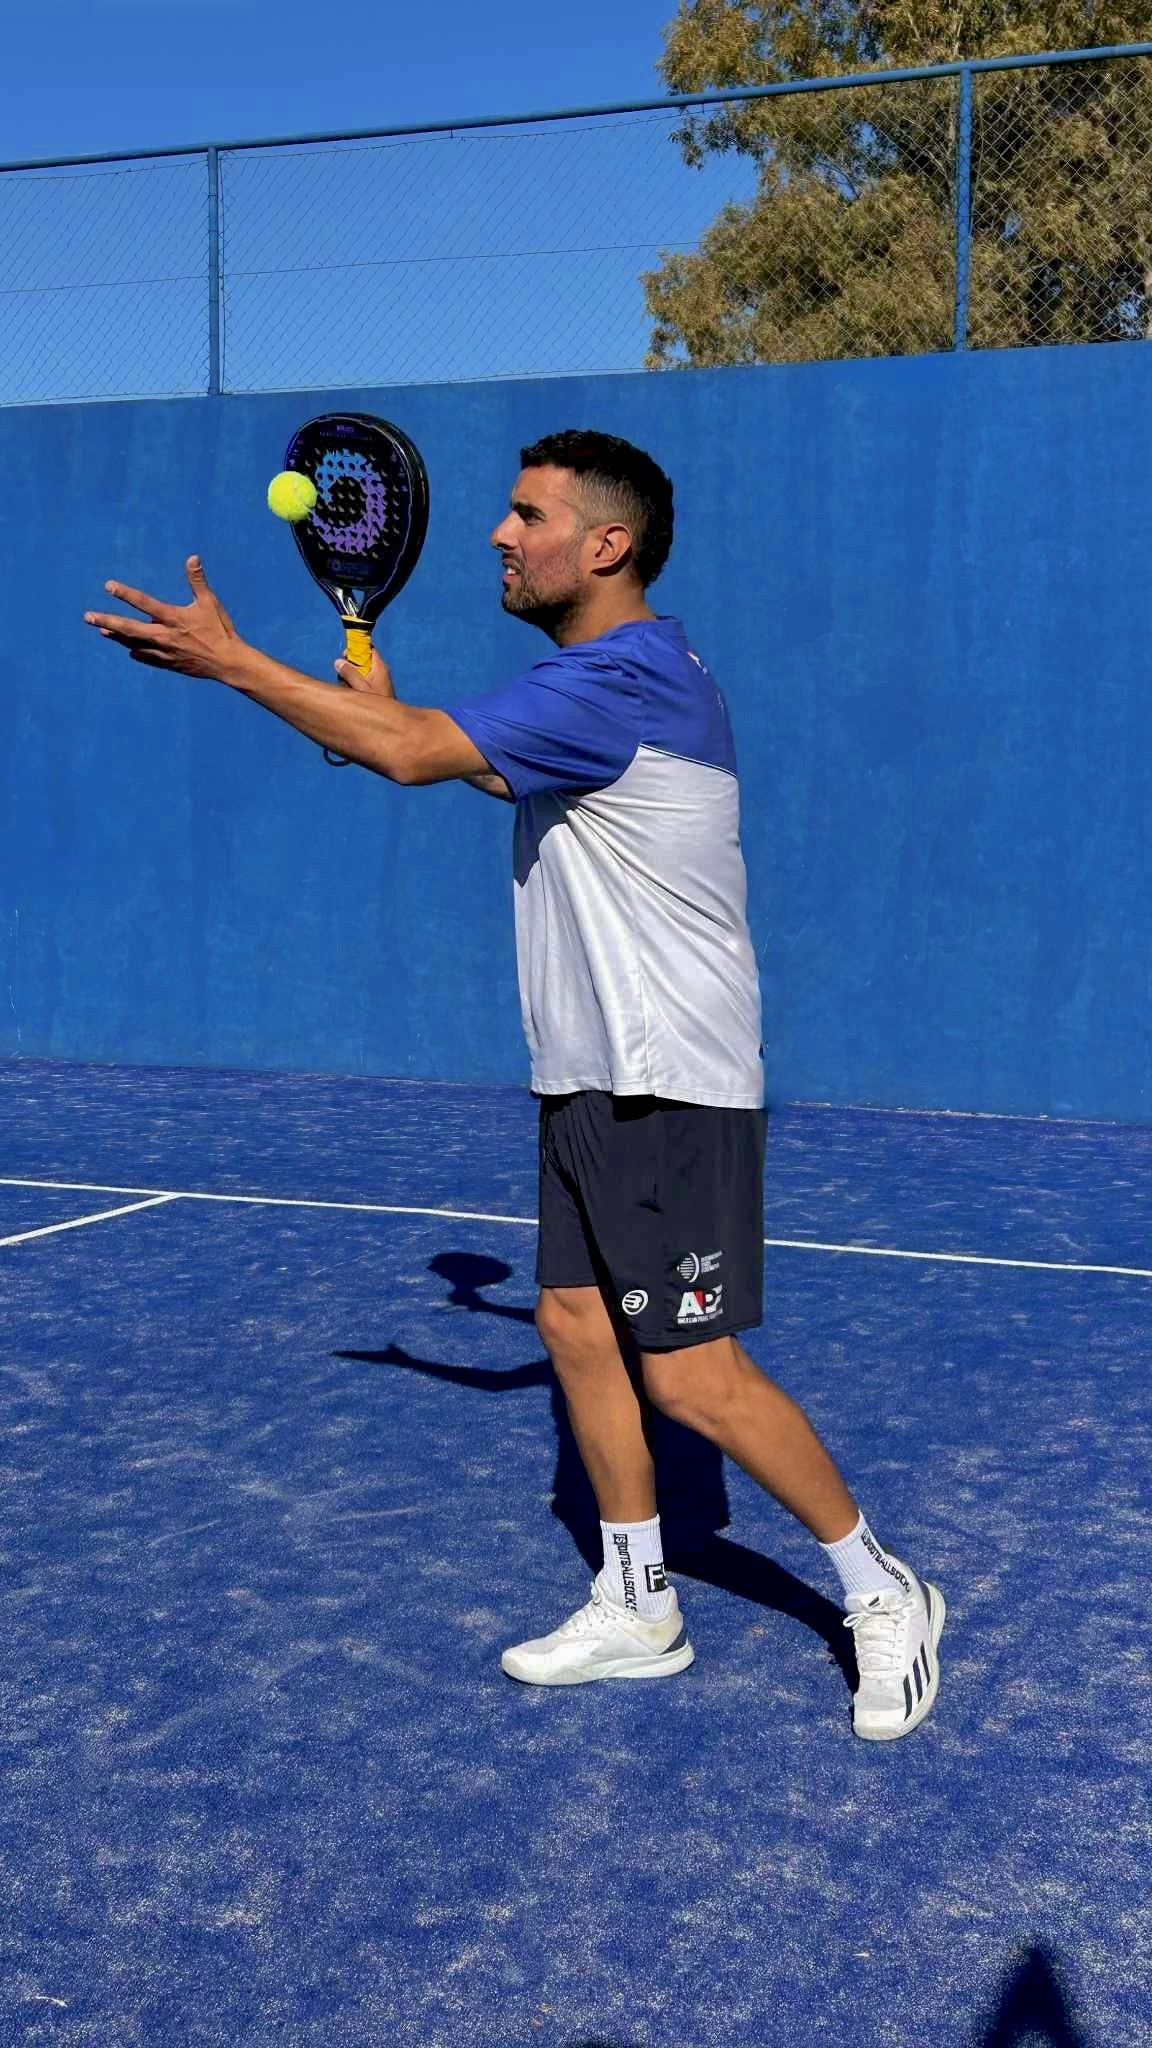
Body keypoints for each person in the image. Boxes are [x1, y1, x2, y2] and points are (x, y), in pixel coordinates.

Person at [84, 428, 944, 1739]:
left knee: (692, 1377)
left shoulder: (621, 676)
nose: (499, 533)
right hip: (590, 1071)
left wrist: (233, 660)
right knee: (574, 1327)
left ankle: (883, 1590)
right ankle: (640, 1603)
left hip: (668, 1080)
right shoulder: (612, 687)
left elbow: (414, 753)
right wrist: (374, 712)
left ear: (607, 545)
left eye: (528, 515)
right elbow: (460, 759)